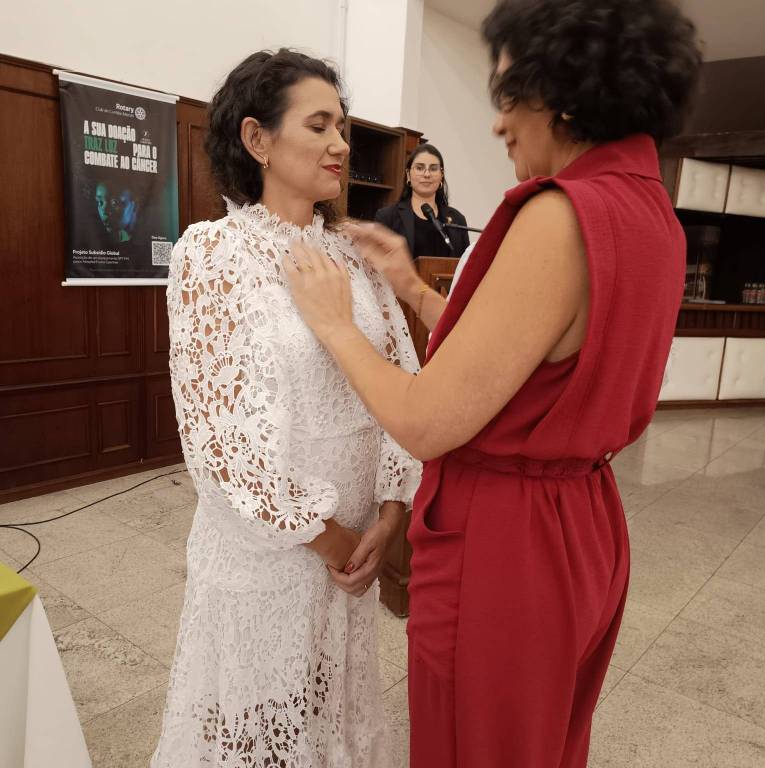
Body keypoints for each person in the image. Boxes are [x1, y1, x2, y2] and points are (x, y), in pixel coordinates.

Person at [282, 1, 702, 766]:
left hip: (509, 544)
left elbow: (428, 421)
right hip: (582, 519)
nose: (499, 122)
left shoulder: (561, 215)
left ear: (565, 90)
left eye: (509, 93)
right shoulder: (650, 213)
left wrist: (336, 324)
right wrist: (413, 288)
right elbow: (520, 361)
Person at [151, 49, 421, 768]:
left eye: (343, 128)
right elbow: (217, 440)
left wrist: (389, 515)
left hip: (358, 546)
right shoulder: (215, 253)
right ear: (257, 139)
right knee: (259, 729)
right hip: (270, 554)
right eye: (319, 125)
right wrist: (328, 539)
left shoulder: (357, 255)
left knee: (332, 715)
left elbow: (404, 380)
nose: (341, 145)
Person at [374, 144, 470, 258]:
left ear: (441, 175)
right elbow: (377, 263)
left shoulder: (458, 220)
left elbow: (466, 264)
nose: (427, 174)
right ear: (408, 175)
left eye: (433, 169)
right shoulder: (387, 217)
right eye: (419, 168)